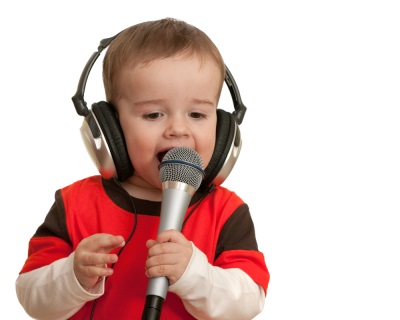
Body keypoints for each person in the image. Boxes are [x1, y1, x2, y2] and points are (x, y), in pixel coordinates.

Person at [16, 18, 269, 319]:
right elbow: (30, 295)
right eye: (153, 114)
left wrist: (194, 274)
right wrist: (72, 276)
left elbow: (249, 301)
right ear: (111, 130)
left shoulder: (226, 211)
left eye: (197, 114)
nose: (178, 129)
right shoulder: (74, 204)